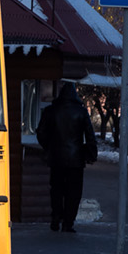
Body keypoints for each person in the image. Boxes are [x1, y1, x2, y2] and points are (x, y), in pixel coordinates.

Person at [36, 81, 97, 233]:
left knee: (56, 190)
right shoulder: (81, 112)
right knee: (73, 192)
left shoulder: (51, 111)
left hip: (56, 157)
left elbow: (41, 133)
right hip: (76, 159)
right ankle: (68, 222)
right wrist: (90, 154)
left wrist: (49, 147)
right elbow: (90, 135)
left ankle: (56, 217)